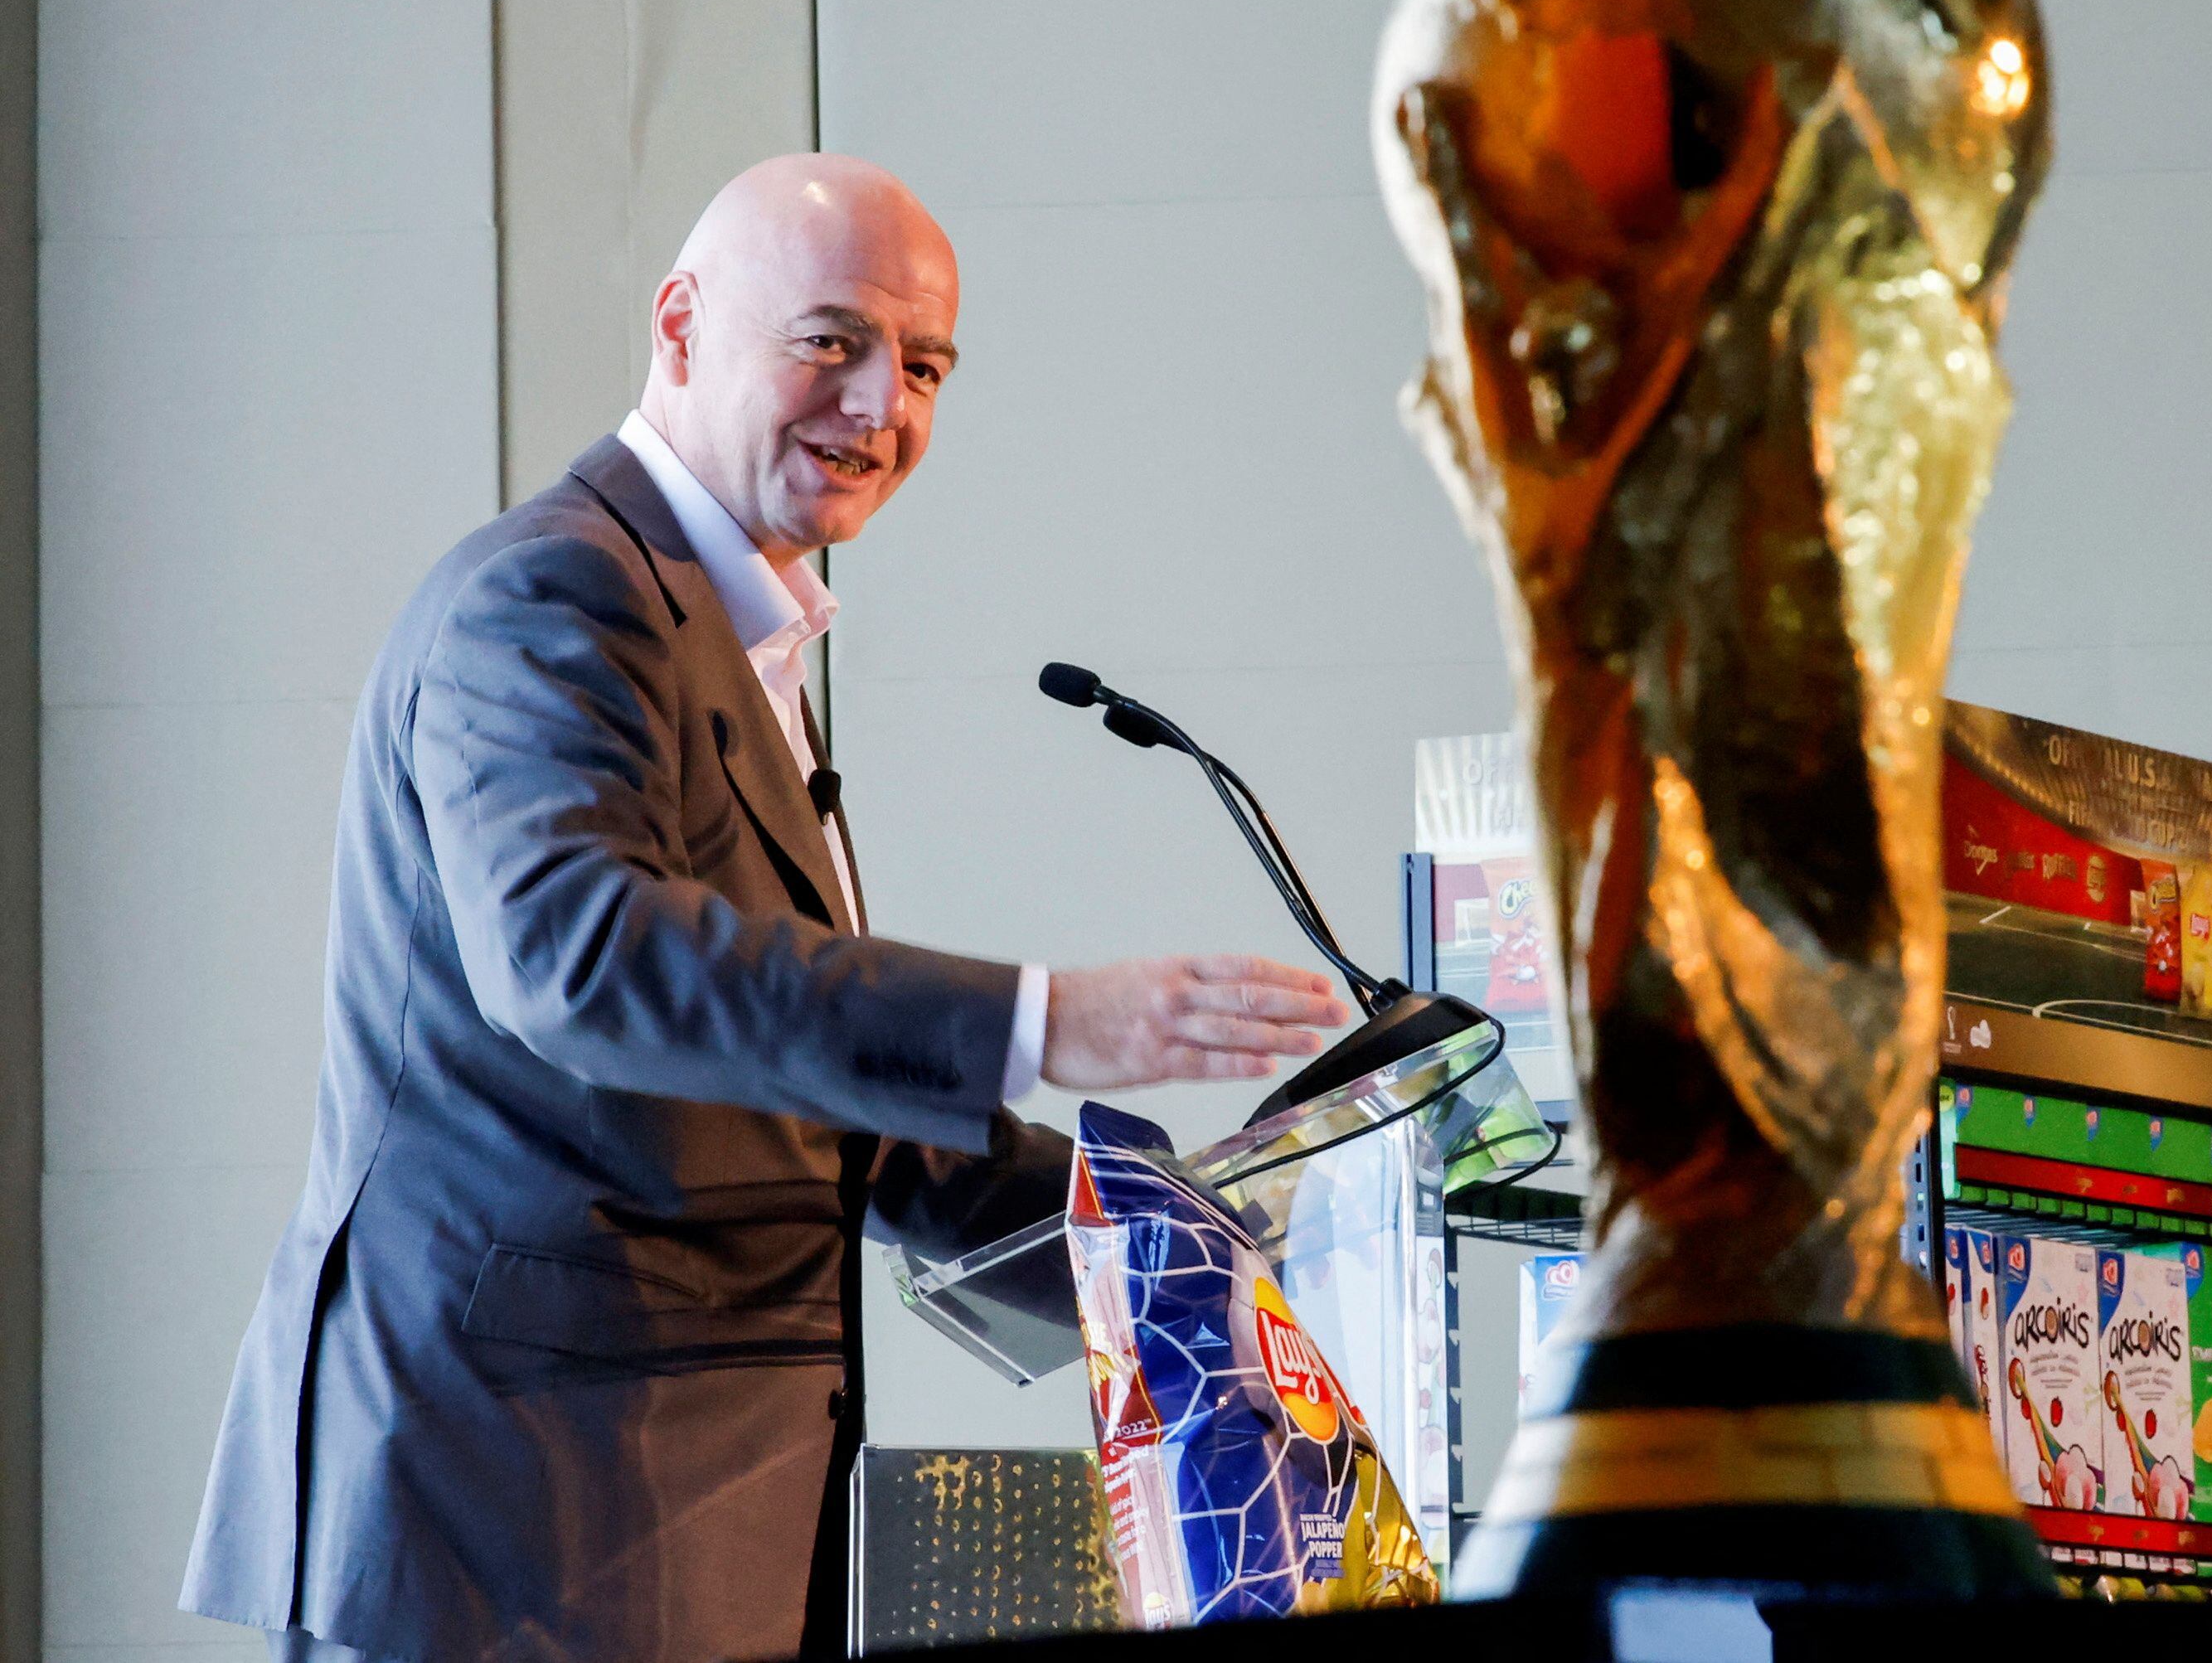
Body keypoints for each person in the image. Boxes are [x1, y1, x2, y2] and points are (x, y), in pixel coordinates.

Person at [180, 155, 1350, 1663]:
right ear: (680, 325)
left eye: (924, 366)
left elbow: (833, 1116)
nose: (883, 406)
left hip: (670, 1509)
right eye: (832, 341)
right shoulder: (552, 597)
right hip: (511, 1519)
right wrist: (1049, 1019)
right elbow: (576, 959)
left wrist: (1204, 1261)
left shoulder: (737, 640)